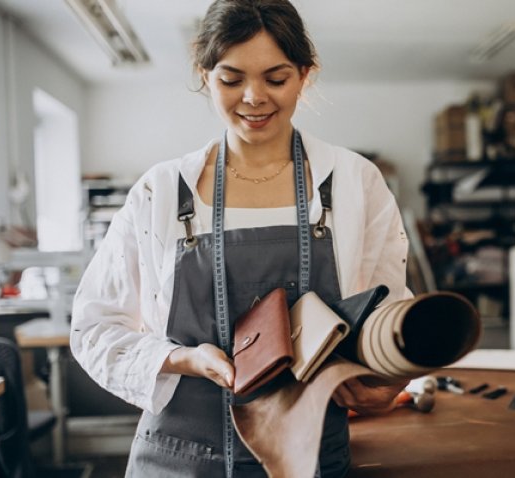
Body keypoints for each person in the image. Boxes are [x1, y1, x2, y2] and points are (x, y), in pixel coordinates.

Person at [70, 0, 412, 476]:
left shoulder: (354, 181)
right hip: (177, 459)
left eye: (276, 78)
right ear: (204, 74)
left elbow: (389, 312)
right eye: (231, 79)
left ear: (304, 75)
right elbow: (94, 328)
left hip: (311, 458)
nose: (253, 97)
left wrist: (386, 374)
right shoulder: (162, 191)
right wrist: (181, 358)